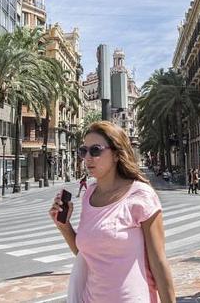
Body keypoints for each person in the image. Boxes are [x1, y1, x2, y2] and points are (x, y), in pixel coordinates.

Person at [49, 121, 175, 302]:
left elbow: (159, 263)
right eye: (83, 151)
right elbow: (89, 255)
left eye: (96, 150)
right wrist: (64, 226)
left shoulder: (141, 195)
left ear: (116, 154)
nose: (87, 158)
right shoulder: (89, 194)